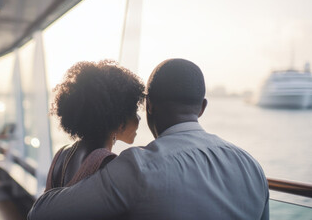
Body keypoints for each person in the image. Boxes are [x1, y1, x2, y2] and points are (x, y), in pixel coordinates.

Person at [28, 59, 269, 220]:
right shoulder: (253, 167)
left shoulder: (137, 168)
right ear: (202, 108)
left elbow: (41, 212)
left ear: (149, 105)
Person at [45, 60, 145, 191]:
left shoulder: (61, 155)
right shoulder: (107, 164)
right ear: (120, 119)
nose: (139, 117)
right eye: (134, 111)